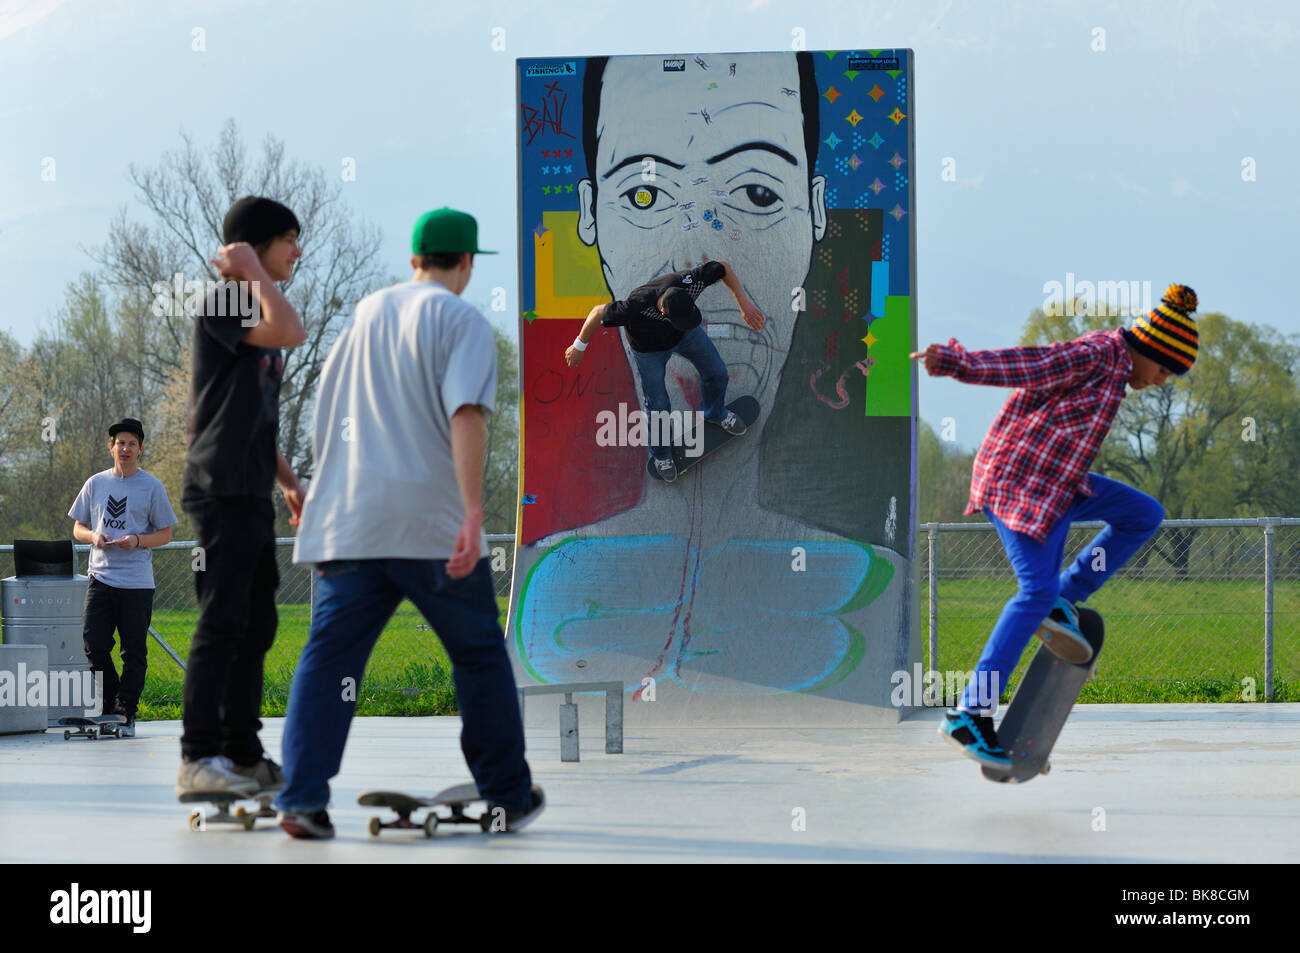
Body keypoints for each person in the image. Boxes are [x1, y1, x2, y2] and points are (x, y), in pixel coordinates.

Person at [275, 207, 541, 839]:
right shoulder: (462, 320)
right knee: (477, 655)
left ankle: (302, 799)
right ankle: (506, 790)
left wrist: (313, 490)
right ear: (469, 263)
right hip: (431, 526)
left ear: (414, 260)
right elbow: (467, 416)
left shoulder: (363, 317)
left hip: (350, 524)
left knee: (330, 660)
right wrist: (475, 513)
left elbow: (328, 409)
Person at [913, 284, 1199, 767]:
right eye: (1165, 369)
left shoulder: (1118, 373)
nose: (1161, 381)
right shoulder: (1096, 355)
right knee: (1033, 592)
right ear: (1150, 349)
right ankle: (970, 713)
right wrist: (957, 362)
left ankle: (1065, 597)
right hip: (1017, 482)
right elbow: (1030, 363)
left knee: (1143, 513)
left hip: (1061, 485)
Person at [176, 196, 307, 799]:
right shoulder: (226, 300)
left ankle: (241, 752)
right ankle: (197, 756)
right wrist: (252, 271)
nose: (297, 253)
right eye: (287, 241)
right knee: (223, 620)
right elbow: (293, 329)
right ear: (254, 248)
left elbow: (256, 416)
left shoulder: (254, 305)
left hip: (250, 485)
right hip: (220, 486)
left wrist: (286, 479)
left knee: (257, 623)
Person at [564, 257, 765, 481]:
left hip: (685, 335)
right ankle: (661, 455)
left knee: (717, 372)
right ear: (662, 311)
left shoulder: (689, 282)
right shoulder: (635, 306)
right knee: (658, 404)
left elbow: (723, 266)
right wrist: (579, 345)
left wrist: (744, 303)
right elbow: (597, 313)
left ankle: (715, 413)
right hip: (649, 351)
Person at [68, 417, 177, 735]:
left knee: (133, 651)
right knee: (94, 642)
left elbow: (166, 534)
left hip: (137, 583)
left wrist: (138, 540)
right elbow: (78, 527)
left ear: (140, 449)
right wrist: (93, 537)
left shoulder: (152, 487)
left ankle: (125, 712)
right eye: (120, 442)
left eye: (132, 443)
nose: (125, 448)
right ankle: (109, 706)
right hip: (99, 577)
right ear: (111, 446)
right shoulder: (95, 483)